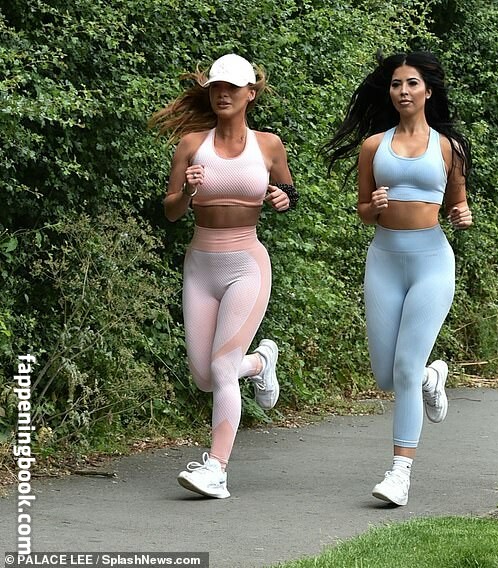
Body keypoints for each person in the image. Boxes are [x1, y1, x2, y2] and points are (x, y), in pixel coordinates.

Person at [325, 51, 472, 506]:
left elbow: (458, 203)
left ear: (428, 91)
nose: (403, 91)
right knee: (387, 376)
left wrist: (462, 214)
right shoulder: (374, 146)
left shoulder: (448, 148)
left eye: (411, 83)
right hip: (384, 261)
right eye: (395, 84)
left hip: (432, 261)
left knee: (403, 369)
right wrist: (374, 207)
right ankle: (431, 377)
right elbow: (363, 210)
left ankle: (399, 473)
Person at [149, 53, 299, 499]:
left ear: (250, 93)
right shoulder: (191, 144)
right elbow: (171, 212)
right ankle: (260, 363)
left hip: (246, 264)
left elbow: (289, 191)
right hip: (201, 266)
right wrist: (188, 190)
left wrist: (283, 199)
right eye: (217, 86)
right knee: (205, 376)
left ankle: (216, 469)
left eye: (232, 87)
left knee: (220, 367)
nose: (223, 94)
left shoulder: (268, 145)